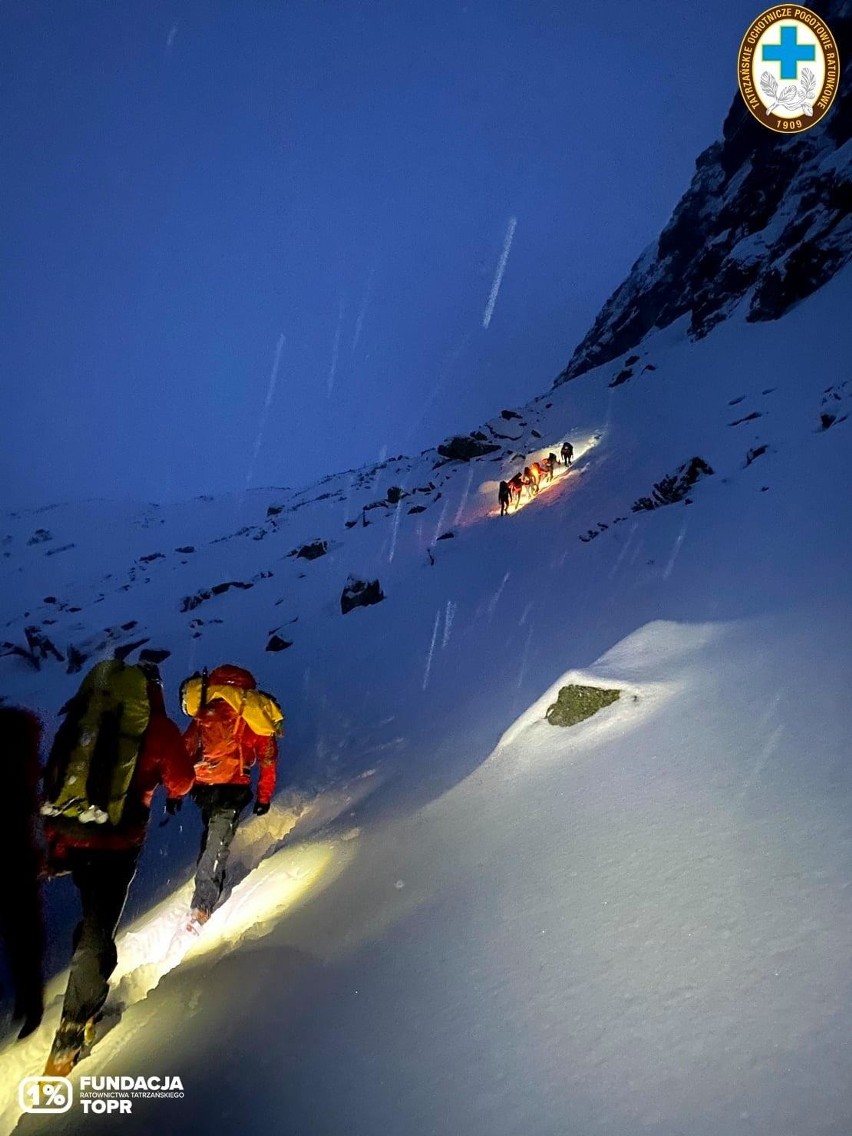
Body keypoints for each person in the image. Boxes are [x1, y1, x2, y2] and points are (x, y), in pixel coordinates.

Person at [42, 659, 193, 1075]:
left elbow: (57, 780)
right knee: (99, 926)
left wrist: (56, 848)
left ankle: (87, 991)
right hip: (116, 844)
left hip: (72, 839)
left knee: (94, 916)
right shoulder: (155, 726)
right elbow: (181, 781)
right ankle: (73, 1027)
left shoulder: (86, 718)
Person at [181, 665, 281, 929]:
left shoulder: (207, 706)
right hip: (232, 787)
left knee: (212, 834)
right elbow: (268, 758)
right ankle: (202, 905)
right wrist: (264, 796)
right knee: (218, 840)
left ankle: (207, 887)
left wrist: (175, 790)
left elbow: (185, 749)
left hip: (203, 785)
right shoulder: (252, 711)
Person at [0, 707, 45, 1040]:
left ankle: (24, 1004)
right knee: (24, 932)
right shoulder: (23, 764)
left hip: (13, 859)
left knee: (17, 932)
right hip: (20, 860)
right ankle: (30, 1003)